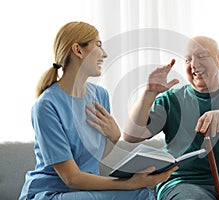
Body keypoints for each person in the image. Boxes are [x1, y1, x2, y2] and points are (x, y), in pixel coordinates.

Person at [19, 21, 178, 200]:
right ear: (78, 50)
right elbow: (72, 178)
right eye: (98, 45)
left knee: (141, 194)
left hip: (83, 191)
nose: (104, 54)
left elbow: (94, 158)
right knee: (134, 191)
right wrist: (129, 183)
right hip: (53, 193)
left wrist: (113, 137)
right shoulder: (46, 105)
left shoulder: (100, 95)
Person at [123, 36, 219, 200]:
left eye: (202, 56)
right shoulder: (171, 100)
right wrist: (149, 93)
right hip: (182, 183)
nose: (194, 64)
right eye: (188, 59)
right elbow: (131, 135)